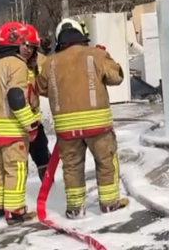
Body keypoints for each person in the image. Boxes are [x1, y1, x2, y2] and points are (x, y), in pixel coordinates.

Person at [36, 18, 128, 219]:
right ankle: (109, 204)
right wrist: (106, 57)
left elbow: (41, 88)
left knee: (72, 168)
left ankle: (75, 209)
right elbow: (117, 77)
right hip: (98, 126)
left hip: (66, 130)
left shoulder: (50, 63)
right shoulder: (95, 54)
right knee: (106, 162)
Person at [0, 21, 40, 225]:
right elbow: (16, 98)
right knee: (16, 170)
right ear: (16, 42)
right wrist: (30, 124)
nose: (29, 49)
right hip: (12, 130)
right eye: (26, 44)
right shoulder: (17, 65)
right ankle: (15, 211)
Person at [18, 23, 52, 181]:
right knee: (17, 165)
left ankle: (49, 188)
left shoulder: (39, 61)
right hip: (13, 123)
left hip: (34, 121)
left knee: (43, 157)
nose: (28, 50)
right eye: (25, 45)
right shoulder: (7, 63)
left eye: (32, 47)